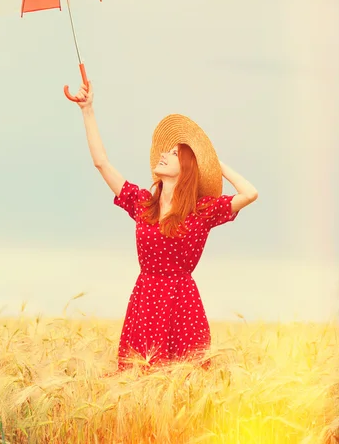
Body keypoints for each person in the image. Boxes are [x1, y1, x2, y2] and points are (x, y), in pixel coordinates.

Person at [76, 81, 258, 373]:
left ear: (187, 169)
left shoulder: (201, 212)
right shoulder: (142, 204)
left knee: (184, 385)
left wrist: (212, 160)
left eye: (174, 154)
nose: (163, 154)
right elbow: (102, 163)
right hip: (145, 302)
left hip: (181, 306)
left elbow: (249, 193)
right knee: (138, 383)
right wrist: (87, 110)